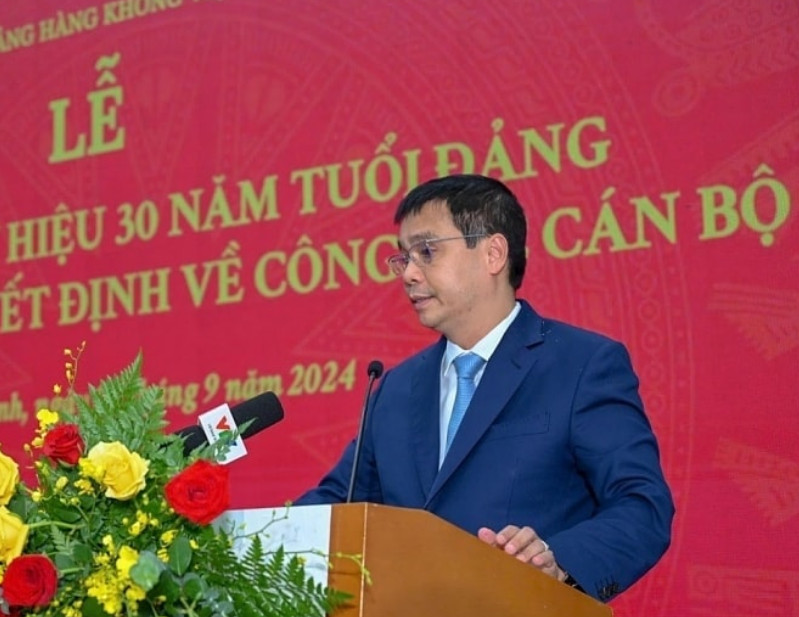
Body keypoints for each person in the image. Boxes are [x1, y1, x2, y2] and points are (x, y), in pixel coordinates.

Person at [295, 174, 674, 602]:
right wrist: (249, 541)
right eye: (403, 257)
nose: (409, 274)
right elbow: (338, 504)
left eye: (427, 252)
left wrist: (559, 562)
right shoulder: (396, 388)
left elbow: (641, 506)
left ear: (493, 253)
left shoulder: (581, 364)